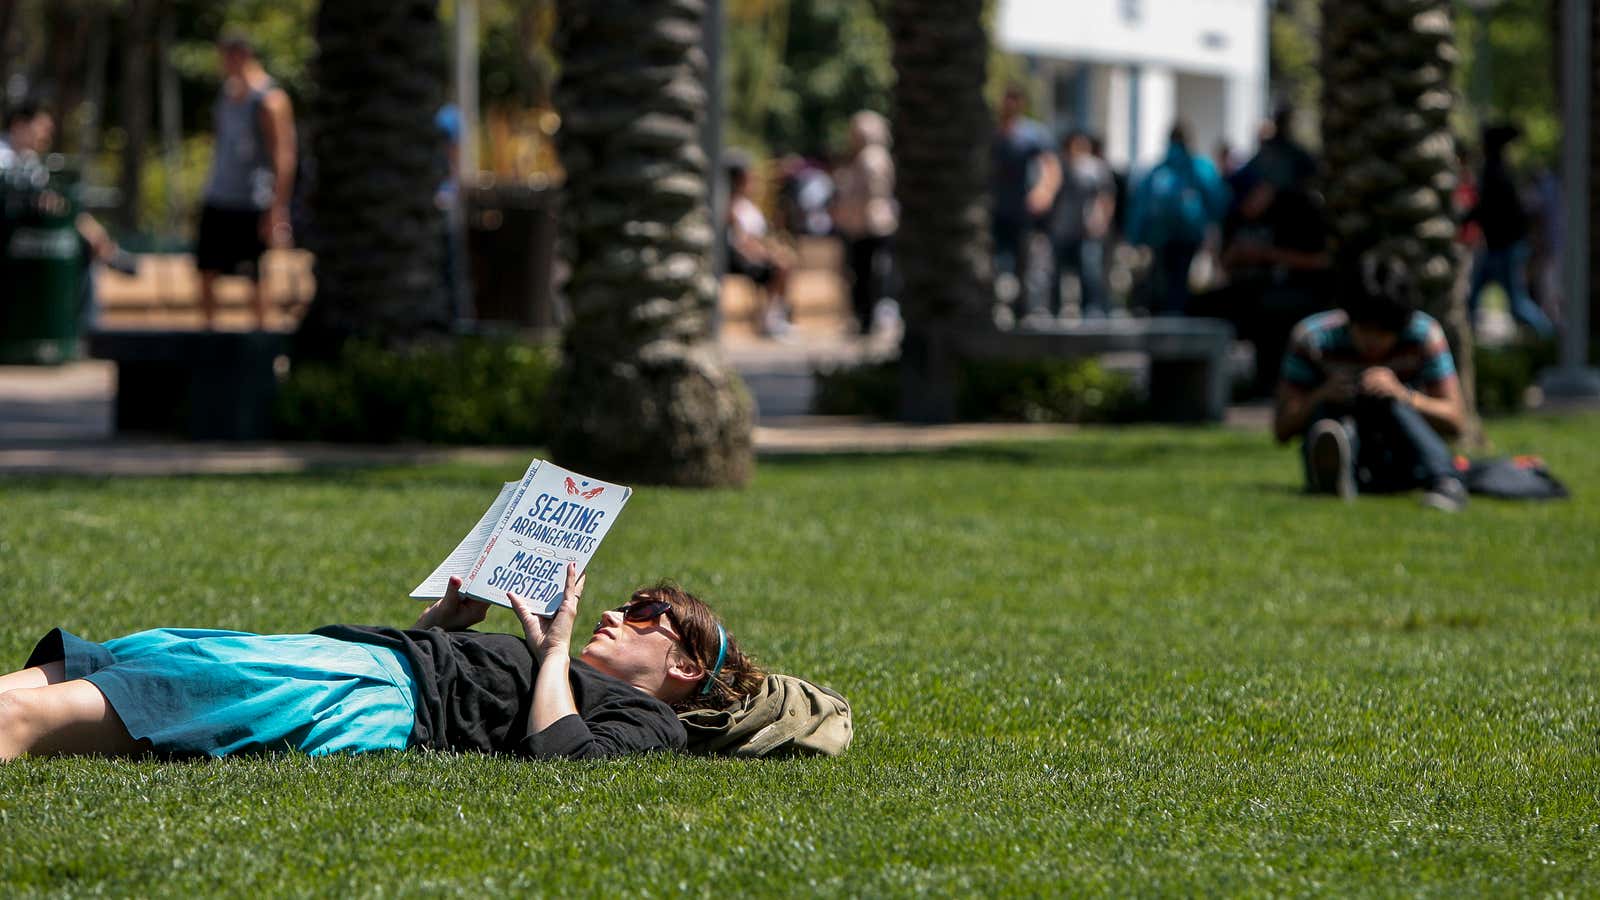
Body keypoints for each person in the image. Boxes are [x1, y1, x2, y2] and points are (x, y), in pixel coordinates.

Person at [0, 564, 762, 761]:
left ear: (686, 665)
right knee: (137, 659)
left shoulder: (648, 720)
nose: (612, 615)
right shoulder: (571, 674)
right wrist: (441, 624)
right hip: (348, 657)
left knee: (29, 718)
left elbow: (565, 757)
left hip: (364, 691)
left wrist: (553, 651)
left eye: (641, 616)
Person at [1272, 256, 1469, 512]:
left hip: (1400, 449)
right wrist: (1322, 395)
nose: (1373, 342)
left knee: (1392, 405)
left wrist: (1403, 394)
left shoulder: (1424, 335)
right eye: (1365, 329)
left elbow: (1456, 419)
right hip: (1345, 432)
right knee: (1333, 423)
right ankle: (1334, 472)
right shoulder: (1313, 339)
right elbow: (1282, 429)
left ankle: (1446, 482)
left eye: (1384, 332)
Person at [195, 31, 296, 331]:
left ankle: (261, 345)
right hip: (218, 196)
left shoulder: (270, 100)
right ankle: (209, 341)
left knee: (254, 276)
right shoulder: (226, 94)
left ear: (241, 55)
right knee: (206, 270)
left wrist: (278, 208)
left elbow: (284, 156)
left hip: (252, 200)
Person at [1126, 123, 1229, 315]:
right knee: (1180, 277)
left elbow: (1140, 206)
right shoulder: (1198, 167)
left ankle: (1168, 313)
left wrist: (1135, 237)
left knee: (1163, 276)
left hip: (1160, 235)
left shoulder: (1157, 170)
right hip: (1188, 233)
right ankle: (1176, 314)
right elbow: (1217, 199)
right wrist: (1215, 226)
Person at [1463, 124, 1553, 340]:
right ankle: (1463, 336)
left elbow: (1488, 208)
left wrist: (1465, 218)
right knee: (1474, 298)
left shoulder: (1494, 171)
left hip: (1505, 247)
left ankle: (1550, 337)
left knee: (1516, 302)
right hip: (1499, 246)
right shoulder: (1498, 169)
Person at [990, 85, 1060, 322]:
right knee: (994, 263)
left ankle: (1022, 310)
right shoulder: (994, 132)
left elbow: (1050, 166)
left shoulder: (1032, 134)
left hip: (1021, 211)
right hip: (995, 209)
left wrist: (1043, 191)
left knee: (1025, 263)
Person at [831, 111, 897, 337]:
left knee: (865, 274)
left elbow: (866, 192)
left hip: (868, 224)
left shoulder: (870, 158)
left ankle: (866, 319)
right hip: (867, 222)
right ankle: (864, 318)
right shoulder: (874, 156)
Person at [724, 154, 796, 338]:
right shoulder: (730, 207)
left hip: (753, 255)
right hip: (738, 259)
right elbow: (741, 242)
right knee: (780, 267)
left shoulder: (748, 205)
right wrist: (766, 254)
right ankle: (770, 319)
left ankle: (775, 314)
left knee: (784, 262)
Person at [1046, 130, 1115, 319]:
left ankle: (1093, 312)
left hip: (1088, 231)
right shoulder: (1058, 167)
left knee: (1090, 272)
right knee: (1057, 274)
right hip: (1062, 229)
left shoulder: (1096, 169)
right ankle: (1055, 312)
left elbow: (1106, 196)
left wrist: (1102, 220)